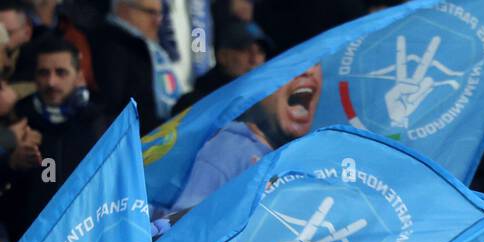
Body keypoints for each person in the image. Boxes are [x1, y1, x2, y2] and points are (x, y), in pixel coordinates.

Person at [169, 64, 322, 213]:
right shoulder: (225, 153)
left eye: (317, 62)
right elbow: (183, 230)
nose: (309, 70)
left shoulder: (307, 160)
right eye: (299, 62)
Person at [3, 35, 106, 239]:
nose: (51, 82)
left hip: (85, 239)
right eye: (43, 73)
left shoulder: (97, 123)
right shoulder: (18, 119)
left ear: (78, 75)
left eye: (61, 73)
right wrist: (12, 163)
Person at [92, 0, 182, 132]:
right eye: (151, 13)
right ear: (124, 9)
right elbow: (116, 108)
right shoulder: (111, 48)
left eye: (159, 14)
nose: (158, 22)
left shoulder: (146, 48)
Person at [171, 19, 271, 115]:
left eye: (260, 51)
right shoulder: (193, 105)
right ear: (223, 56)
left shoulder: (266, 105)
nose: (254, 59)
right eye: (245, 50)